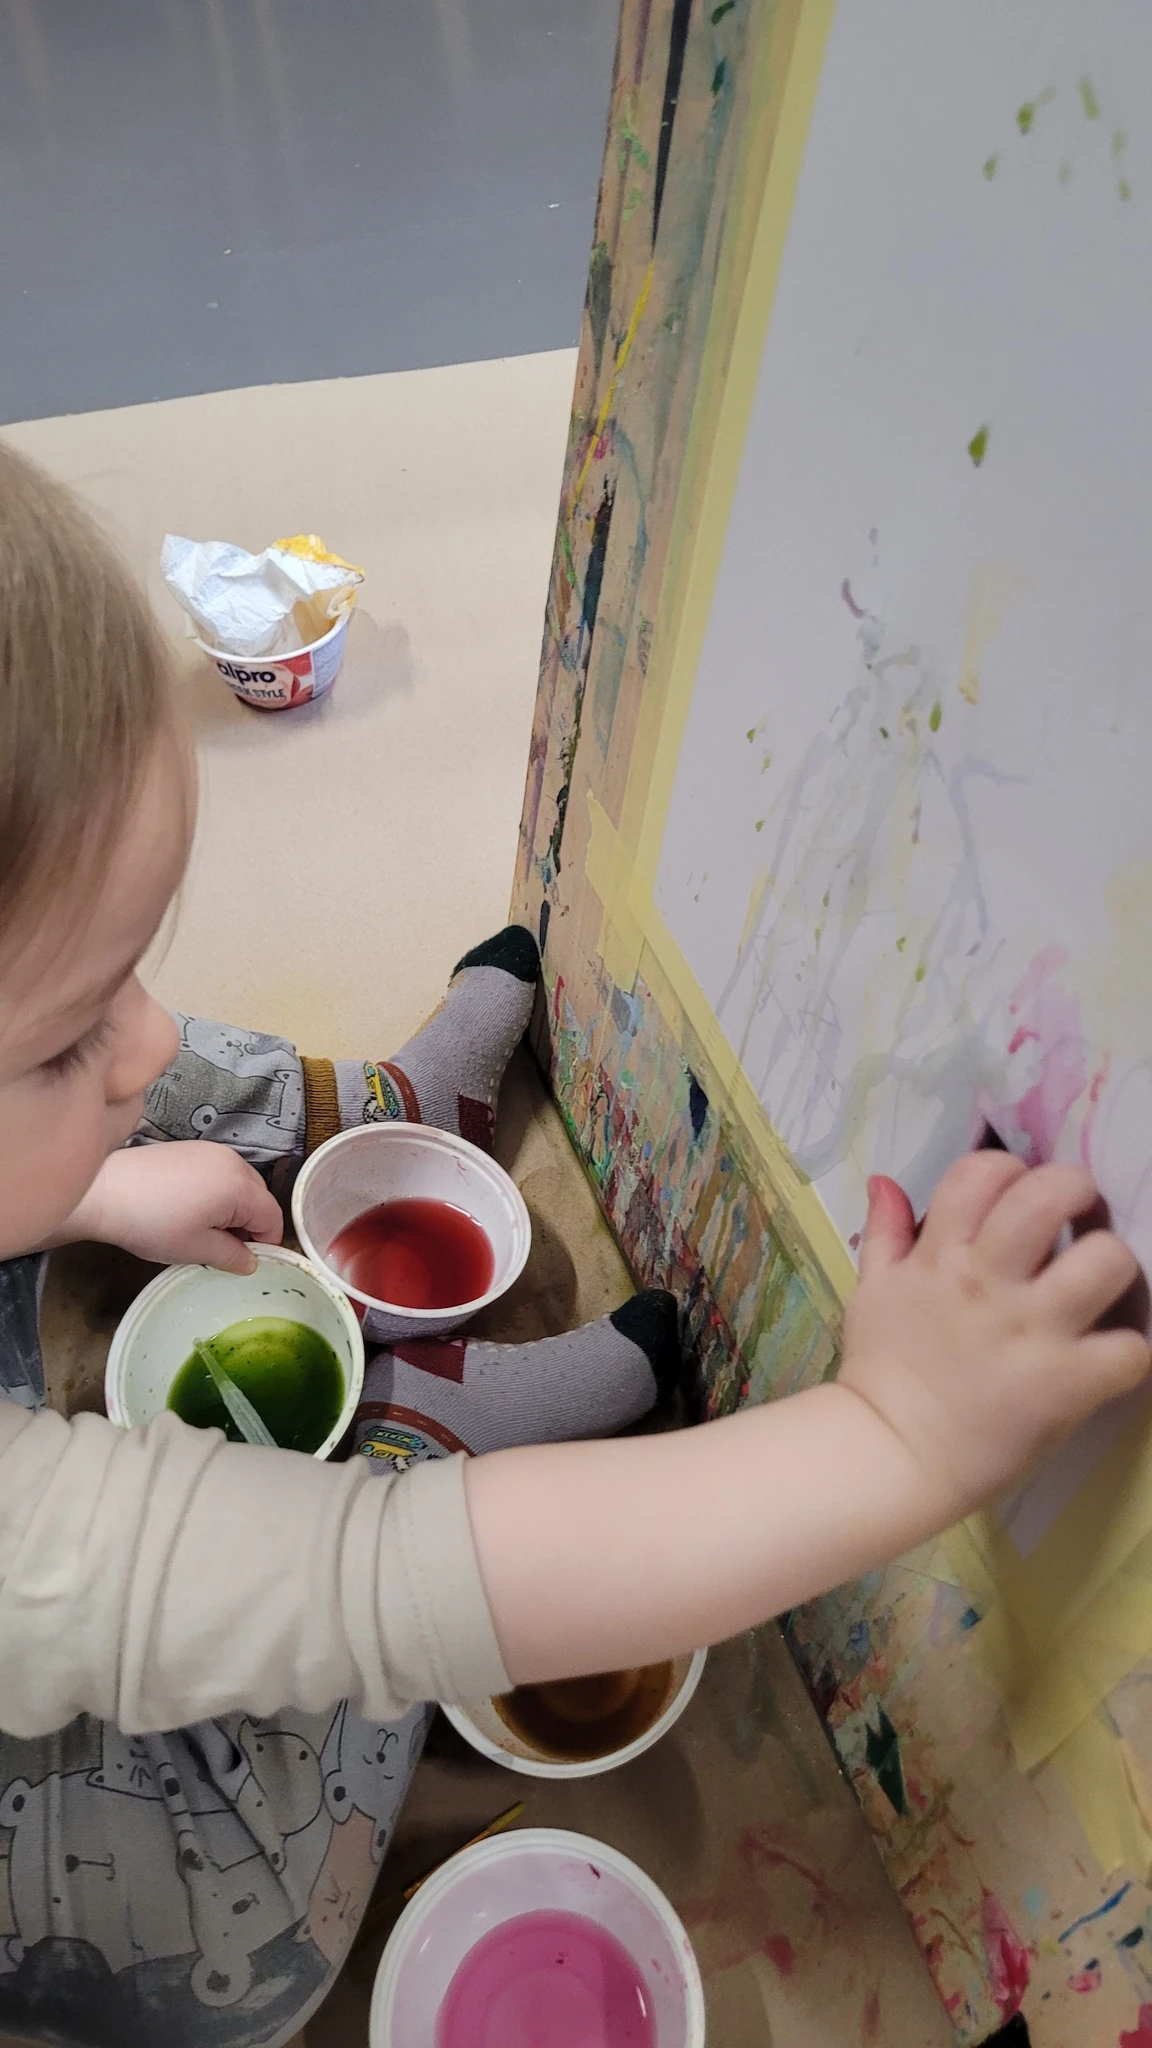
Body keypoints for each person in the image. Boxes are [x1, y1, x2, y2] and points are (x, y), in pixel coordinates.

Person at [0, 443, 1146, 2047]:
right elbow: (384, 1586)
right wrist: (902, 1433)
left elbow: (108, 1048)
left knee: (137, 1071)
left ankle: (382, 1111)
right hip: (106, 1857)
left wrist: (88, 1191)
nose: (144, 1033)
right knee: (255, 1855)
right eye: (69, 1036)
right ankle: (418, 1421)